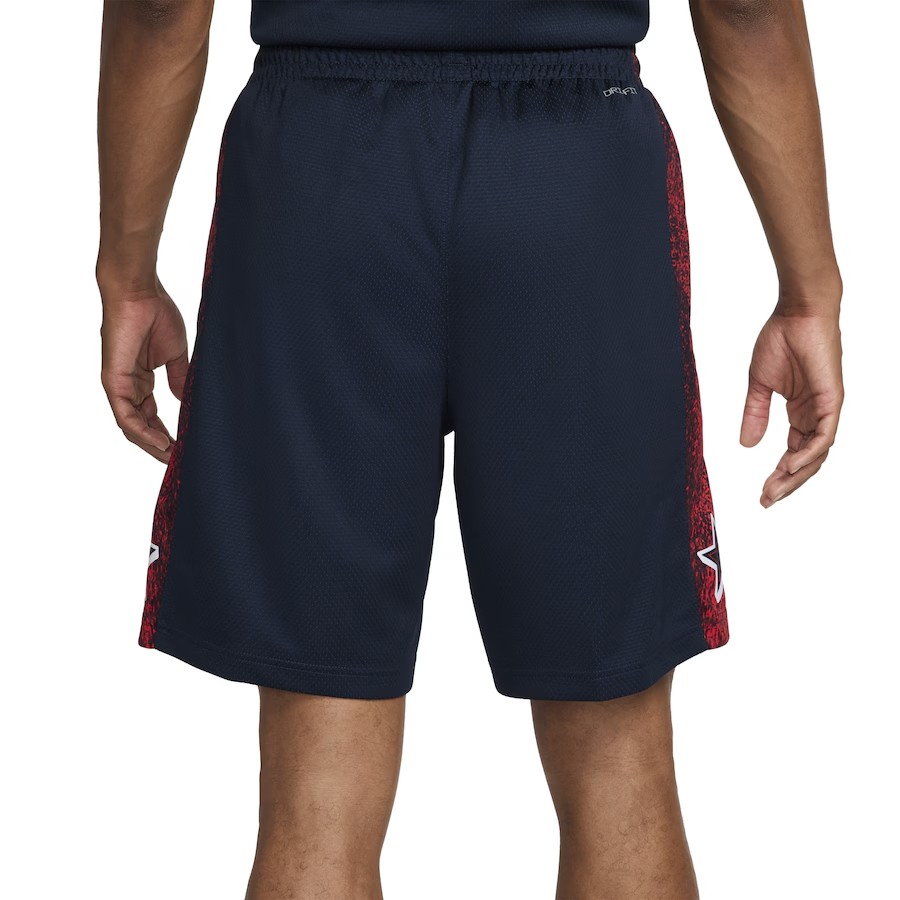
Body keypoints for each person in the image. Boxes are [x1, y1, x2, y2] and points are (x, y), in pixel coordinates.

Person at [96, 2, 843, 897]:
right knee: (619, 763)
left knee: (314, 791)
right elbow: (747, 8)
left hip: (320, 180)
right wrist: (809, 287)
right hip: (573, 175)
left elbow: (161, 10)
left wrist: (127, 272)